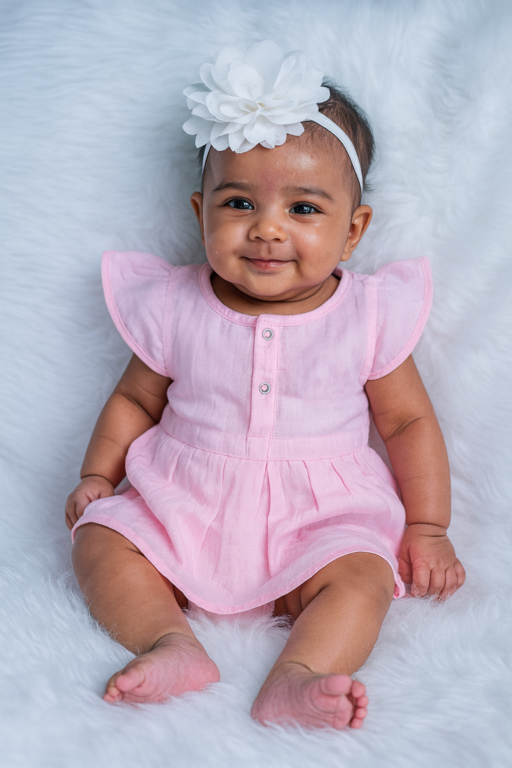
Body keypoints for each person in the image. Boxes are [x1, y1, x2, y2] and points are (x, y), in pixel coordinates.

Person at [66, 41, 465, 730]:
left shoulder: (368, 316)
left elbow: (407, 423)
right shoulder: (174, 305)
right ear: (201, 213)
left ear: (353, 231)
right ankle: (170, 643)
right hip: (183, 505)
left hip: (320, 519)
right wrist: (97, 476)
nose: (268, 229)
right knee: (100, 538)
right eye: (241, 202)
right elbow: (134, 399)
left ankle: (298, 674)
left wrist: (429, 527)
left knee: (363, 575)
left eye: (304, 209)